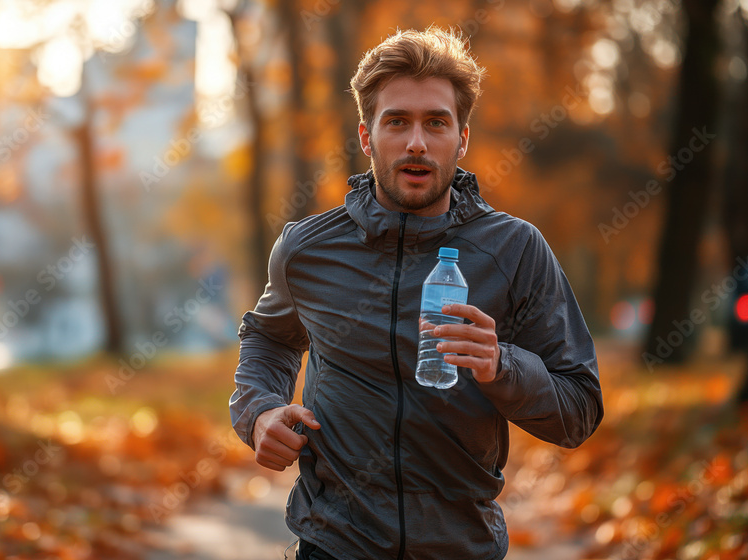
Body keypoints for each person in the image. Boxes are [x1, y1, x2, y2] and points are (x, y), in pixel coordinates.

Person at [228, 26, 604, 560]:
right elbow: (268, 338)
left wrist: (502, 366)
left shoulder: (516, 250)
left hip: (462, 547)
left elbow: (579, 411)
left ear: (463, 138)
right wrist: (260, 410)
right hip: (333, 545)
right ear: (366, 136)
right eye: (397, 121)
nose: (417, 142)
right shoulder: (307, 249)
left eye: (436, 122)